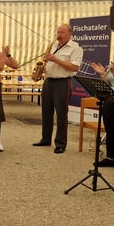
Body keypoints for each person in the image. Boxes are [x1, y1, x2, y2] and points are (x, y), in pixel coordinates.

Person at [32, 24, 83, 154]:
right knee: (46, 112)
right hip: (49, 81)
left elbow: (75, 67)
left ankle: (60, 143)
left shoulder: (76, 48)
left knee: (61, 114)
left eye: (62, 32)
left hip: (62, 82)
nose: (59, 35)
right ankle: (46, 138)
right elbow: (50, 63)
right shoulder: (53, 46)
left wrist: (55, 59)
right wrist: (42, 68)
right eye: (58, 32)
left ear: (70, 33)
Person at [91, 39, 114, 178]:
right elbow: (110, 83)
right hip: (111, 100)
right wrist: (102, 73)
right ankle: (110, 158)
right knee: (110, 130)